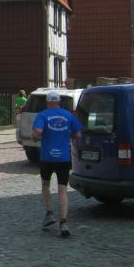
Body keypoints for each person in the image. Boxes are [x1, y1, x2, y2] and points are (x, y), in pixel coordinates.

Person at [32, 90, 82, 237]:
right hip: (63, 158)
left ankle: (49, 214)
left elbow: (38, 131)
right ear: (59, 101)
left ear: (48, 102)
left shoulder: (42, 115)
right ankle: (64, 222)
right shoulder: (68, 115)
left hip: (47, 157)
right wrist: (67, 134)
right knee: (62, 190)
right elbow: (78, 134)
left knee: (45, 185)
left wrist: (35, 137)